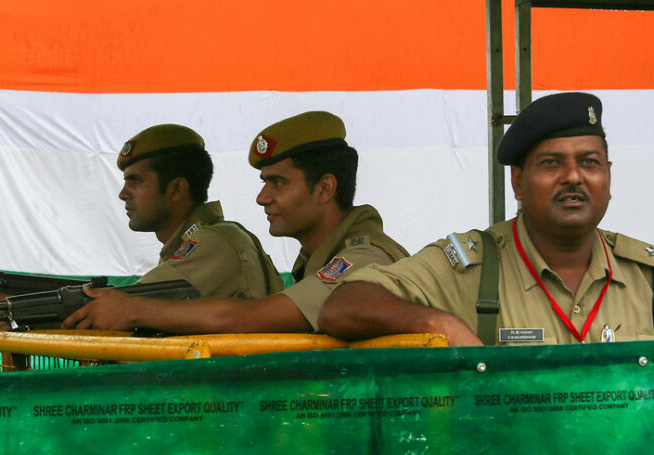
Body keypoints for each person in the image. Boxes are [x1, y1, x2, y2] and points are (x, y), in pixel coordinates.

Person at [318, 92, 654, 345]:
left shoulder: (649, 279)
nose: (574, 177)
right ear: (517, 181)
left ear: (607, 176)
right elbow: (342, 306)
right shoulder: (472, 267)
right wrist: (437, 323)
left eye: (589, 163)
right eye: (552, 163)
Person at [63, 111, 408, 333]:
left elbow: (245, 318)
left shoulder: (363, 259)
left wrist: (135, 311)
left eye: (278, 183)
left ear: (324, 188)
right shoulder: (321, 261)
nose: (262, 198)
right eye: (264, 183)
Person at [105, 123, 284, 299]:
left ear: (177, 189)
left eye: (135, 181)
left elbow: (123, 308)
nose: (123, 194)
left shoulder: (213, 242)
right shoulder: (193, 242)